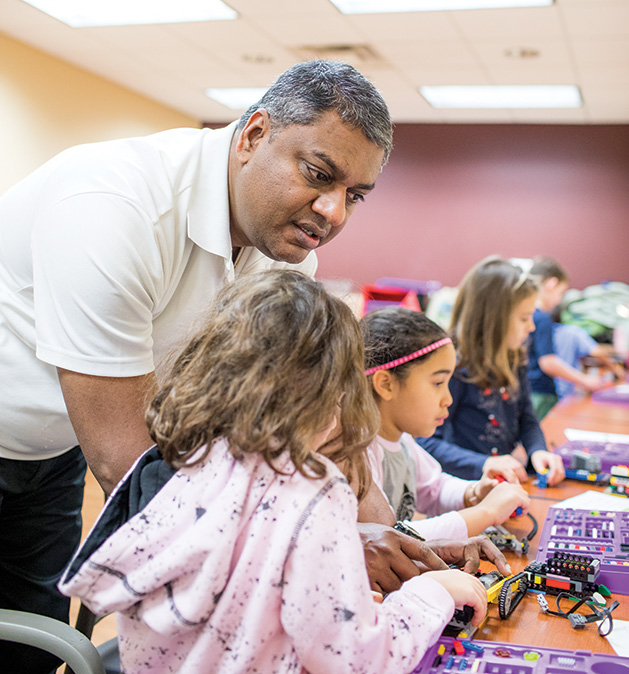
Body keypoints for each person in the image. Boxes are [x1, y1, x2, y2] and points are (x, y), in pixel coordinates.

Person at [0, 59, 394, 672]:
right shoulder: (115, 206)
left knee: (26, 640)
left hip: (51, 449)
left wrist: (380, 534)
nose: (334, 212)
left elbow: (316, 417)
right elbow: (125, 458)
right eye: (320, 175)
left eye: (355, 195)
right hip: (66, 432)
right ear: (255, 134)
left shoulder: (285, 254)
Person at [59, 270, 488, 674]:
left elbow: (239, 603)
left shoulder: (183, 462)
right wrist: (432, 595)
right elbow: (355, 660)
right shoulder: (314, 489)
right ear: (333, 390)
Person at [360, 307, 530, 541]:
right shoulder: (358, 453)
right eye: (438, 382)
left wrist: (474, 492)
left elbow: (434, 488)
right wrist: (485, 512)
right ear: (386, 384)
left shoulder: (402, 440)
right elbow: (390, 539)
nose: (448, 399)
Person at [422, 256, 565, 486]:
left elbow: (526, 416)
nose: (532, 326)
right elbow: (426, 443)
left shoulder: (515, 357)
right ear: (493, 319)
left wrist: (537, 450)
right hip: (461, 491)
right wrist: (485, 463)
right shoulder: (453, 365)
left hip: (501, 486)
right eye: (524, 318)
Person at [526, 256, 610, 418]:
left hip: (529, 390)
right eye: (561, 292)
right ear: (552, 284)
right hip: (541, 393)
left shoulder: (529, 315)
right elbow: (548, 362)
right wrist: (585, 380)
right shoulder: (542, 317)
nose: (560, 299)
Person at [552, 322, 624, 399]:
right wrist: (616, 370)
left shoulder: (548, 331)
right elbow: (598, 352)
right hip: (567, 387)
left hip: (548, 387)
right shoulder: (572, 331)